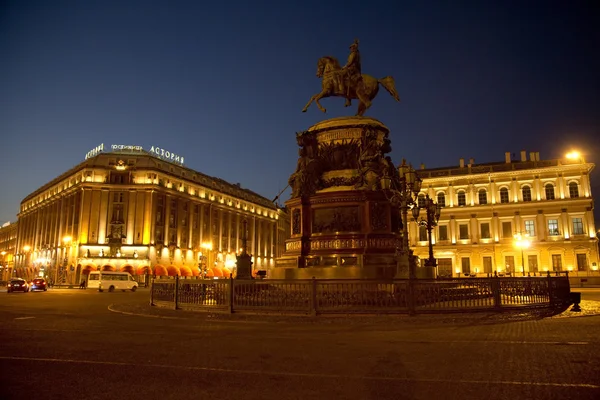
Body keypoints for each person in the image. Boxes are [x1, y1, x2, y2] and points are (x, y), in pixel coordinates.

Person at [342, 39, 371, 109]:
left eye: (352, 47)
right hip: (353, 68)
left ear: (354, 48)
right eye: (350, 48)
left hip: (352, 68)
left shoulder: (354, 54)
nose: (351, 49)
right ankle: (348, 98)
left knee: (342, 77)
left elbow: (350, 62)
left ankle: (348, 100)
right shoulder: (355, 53)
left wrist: (344, 67)